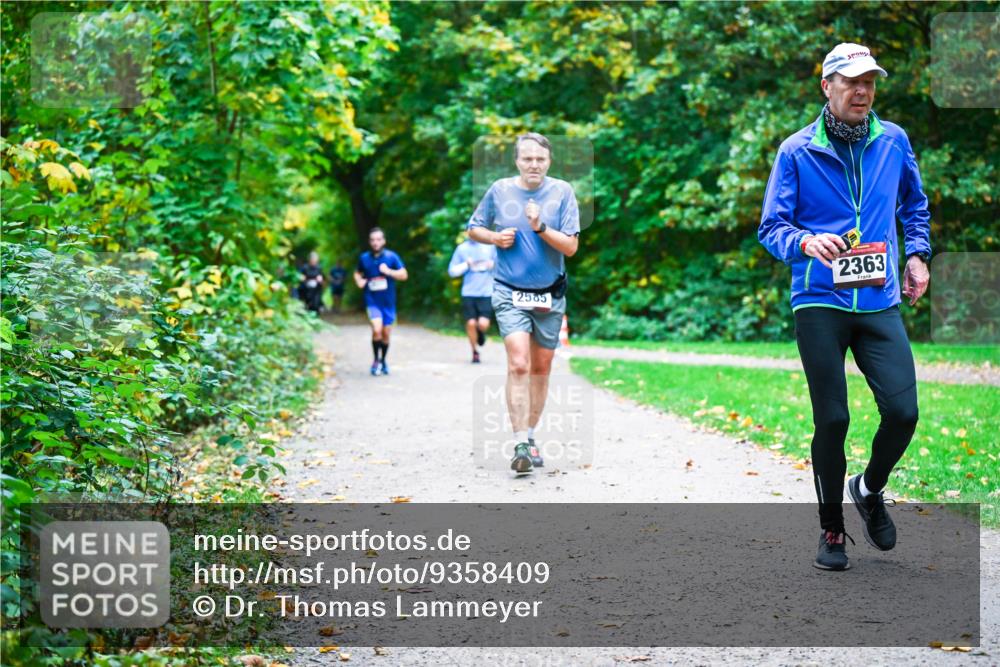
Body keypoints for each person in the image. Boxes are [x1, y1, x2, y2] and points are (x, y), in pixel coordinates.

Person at [758, 43, 931, 571]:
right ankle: (831, 530)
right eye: (852, 82)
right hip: (819, 299)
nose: (862, 91)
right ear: (826, 86)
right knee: (833, 420)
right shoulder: (796, 151)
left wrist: (918, 254)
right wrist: (806, 243)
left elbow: (914, 205)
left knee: (903, 412)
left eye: (870, 82)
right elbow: (773, 228)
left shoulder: (894, 141)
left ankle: (870, 488)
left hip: (878, 298)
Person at [468, 132, 580, 474]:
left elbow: (571, 248)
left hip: (549, 293)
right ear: (517, 160)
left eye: (540, 159)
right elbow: (474, 228)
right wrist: (494, 237)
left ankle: (530, 438)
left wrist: (540, 227)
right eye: (527, 158)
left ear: (549, 161)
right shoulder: (500, 190)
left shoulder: (562, 192)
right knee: (518, 363)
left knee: (541, 369)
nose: (534, 164)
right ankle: (519, 443)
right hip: (508, 290)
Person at [354, 228, 407, 376]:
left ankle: (383, 360)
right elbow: (357, 272)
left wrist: (389, 271)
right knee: (376, 329)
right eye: (373, 240)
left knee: (385, 333)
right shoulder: (364, 258)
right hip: (372, 300)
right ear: (370, 242)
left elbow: (404, 274)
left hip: (388, 302)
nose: (375, 242)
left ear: (383, 241)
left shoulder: (391, 257)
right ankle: (375, 360)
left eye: (378, 239)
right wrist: (359, 281)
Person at [447, 238, 497, 363]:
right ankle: (475, 352)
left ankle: (480, 332)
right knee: (470, 323)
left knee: (483, 323)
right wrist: (466, 264)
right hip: (468, 292)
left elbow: (504, 266)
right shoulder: (462, 248)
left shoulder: (491, 246)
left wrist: (493, 264)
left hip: (486, 292)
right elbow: (452, 272)